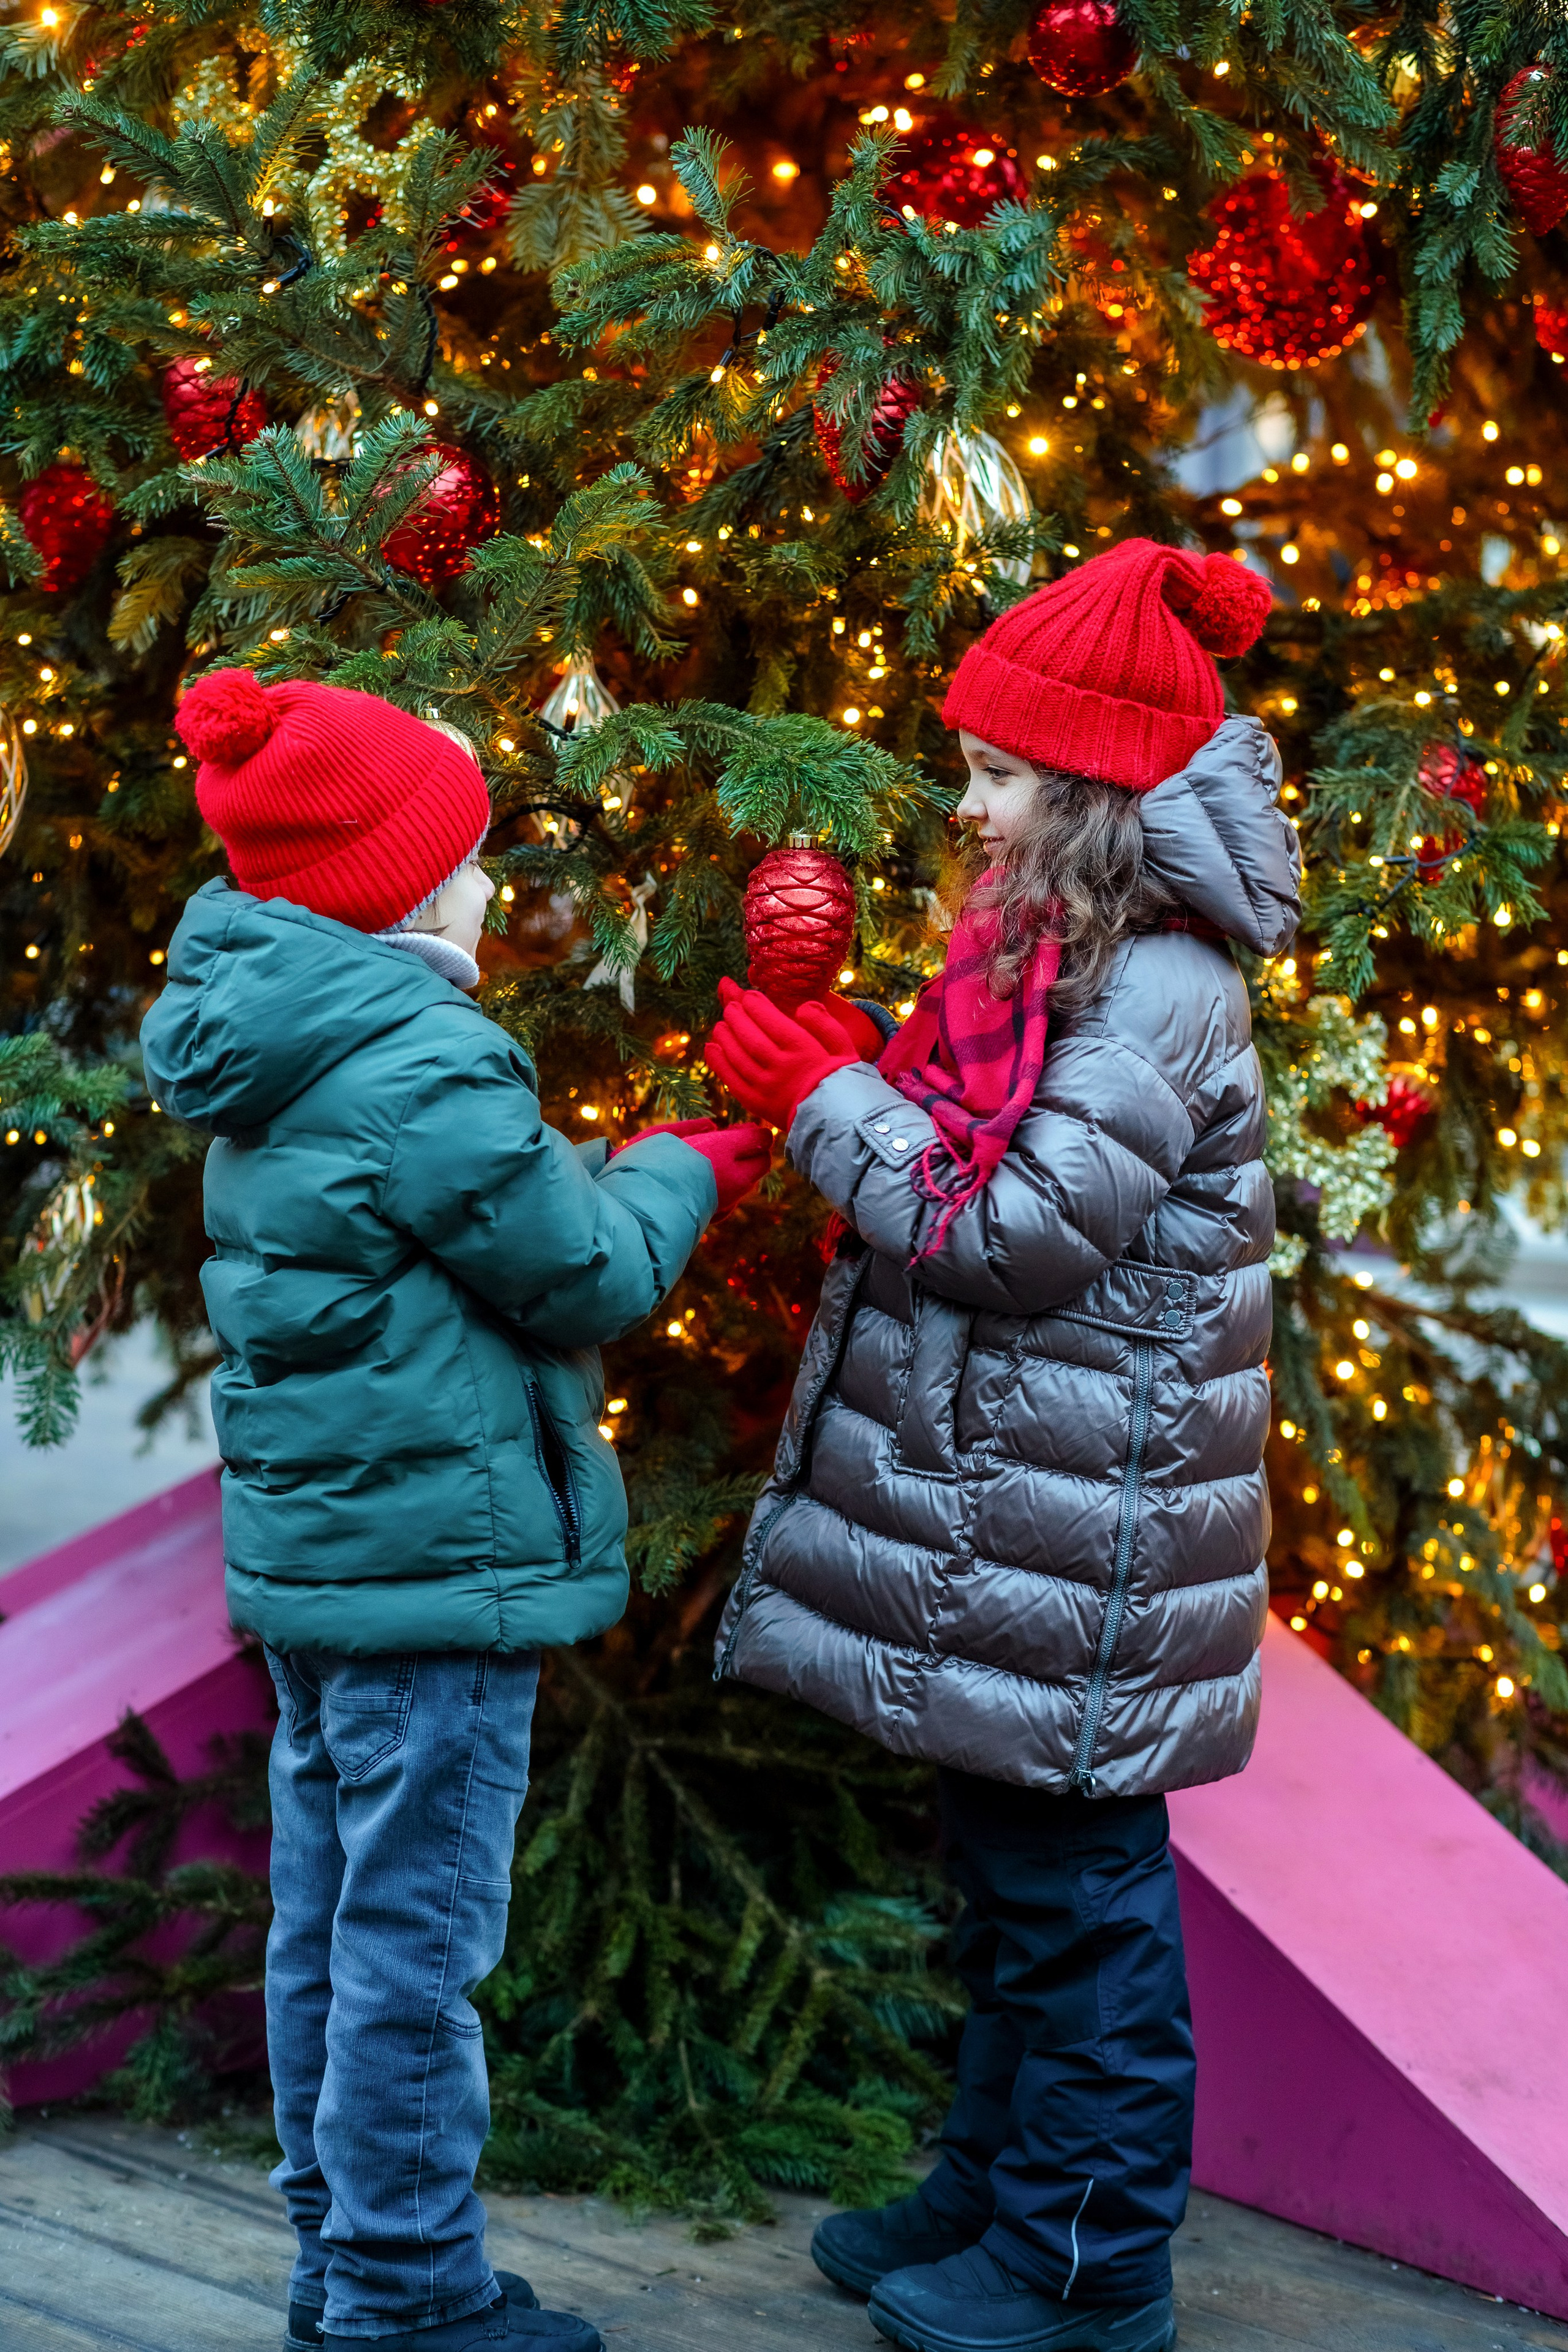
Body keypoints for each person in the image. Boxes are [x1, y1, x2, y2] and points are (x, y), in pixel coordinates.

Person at [703, 539, 1300, 2352]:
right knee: (1005, 1887)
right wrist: (857, 1080)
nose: (962, 802)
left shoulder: (1159, 990)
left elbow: (1012, 1234)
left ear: (1091, 792)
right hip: (1017, 1517)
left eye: (994, 772)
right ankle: (994, 2192)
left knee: (1081, 1913)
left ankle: (1088, 2265)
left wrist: (823, 1105)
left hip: (1089, 1538)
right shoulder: (1052, 948)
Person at [140, 668, 769, 2352]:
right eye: (475, 860)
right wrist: (683, 1165)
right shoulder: (422, 1059)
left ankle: (331, 2263)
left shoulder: (266, 1034)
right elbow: (587, 1270)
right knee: (418, 1944)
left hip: (319, 1581)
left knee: (329, 1924)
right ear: (406, 889)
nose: (492, 887)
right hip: (439, 1589)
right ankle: (411, 2293)